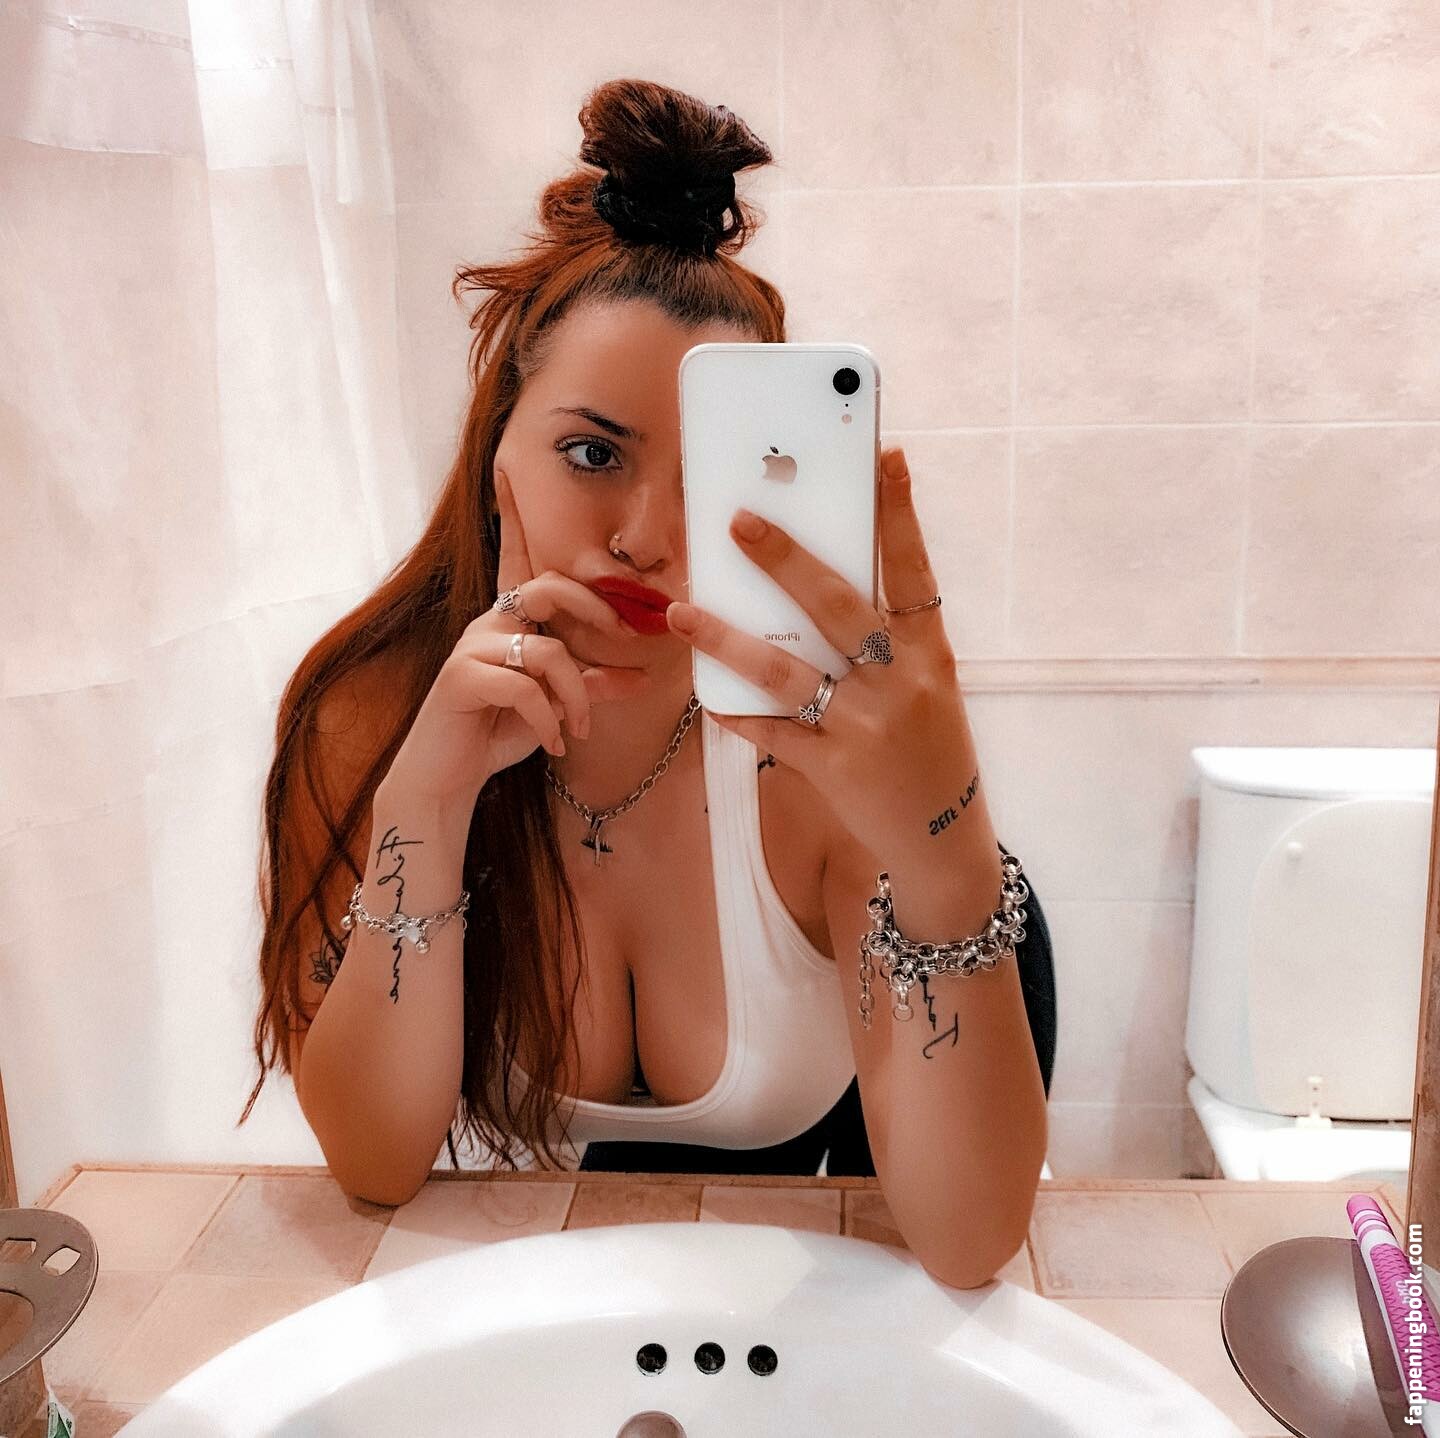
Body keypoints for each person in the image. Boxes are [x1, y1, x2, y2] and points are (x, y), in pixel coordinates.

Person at [238, 77, 1054, 1208]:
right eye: (593, 454)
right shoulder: (368, 715)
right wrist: (424, 805)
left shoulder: (810, 757)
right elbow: (375, 1165)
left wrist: (948, 848)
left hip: (919, 1006)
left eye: (709, 476)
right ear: (497, 451)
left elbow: (967, 1239)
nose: (645, 538)